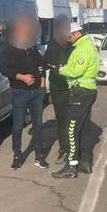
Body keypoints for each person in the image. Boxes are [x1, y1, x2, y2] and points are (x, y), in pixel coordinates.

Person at [0, 11, 49, 170]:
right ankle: (17, 155)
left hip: (36, 92)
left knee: (38, 125)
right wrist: (22, 77)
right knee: (18, 126)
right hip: (20, 91)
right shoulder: (8, 45)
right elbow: (4, 69)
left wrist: (42, 81)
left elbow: (40, 62)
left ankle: (39, 156)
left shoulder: (30, 44)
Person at [51, 22, 99, 179]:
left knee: (71, 130)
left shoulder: (83, 49)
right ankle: (85, 162)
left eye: (70, 36)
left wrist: (60, 69)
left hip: (81, 92)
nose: (68, 39)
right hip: (86, 90)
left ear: (76, 33)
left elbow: (76, 70)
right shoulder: (84, 46)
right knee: (84, 128)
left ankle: (71, 167)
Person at [43, 14, 73, 164]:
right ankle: (64, 149)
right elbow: (46, 61)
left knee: (72, 120)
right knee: (61, 120)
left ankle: (74, 150)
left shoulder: (72, 44)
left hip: (72, 87)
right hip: (57, 87)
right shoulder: (53, 44)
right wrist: (55, 68)